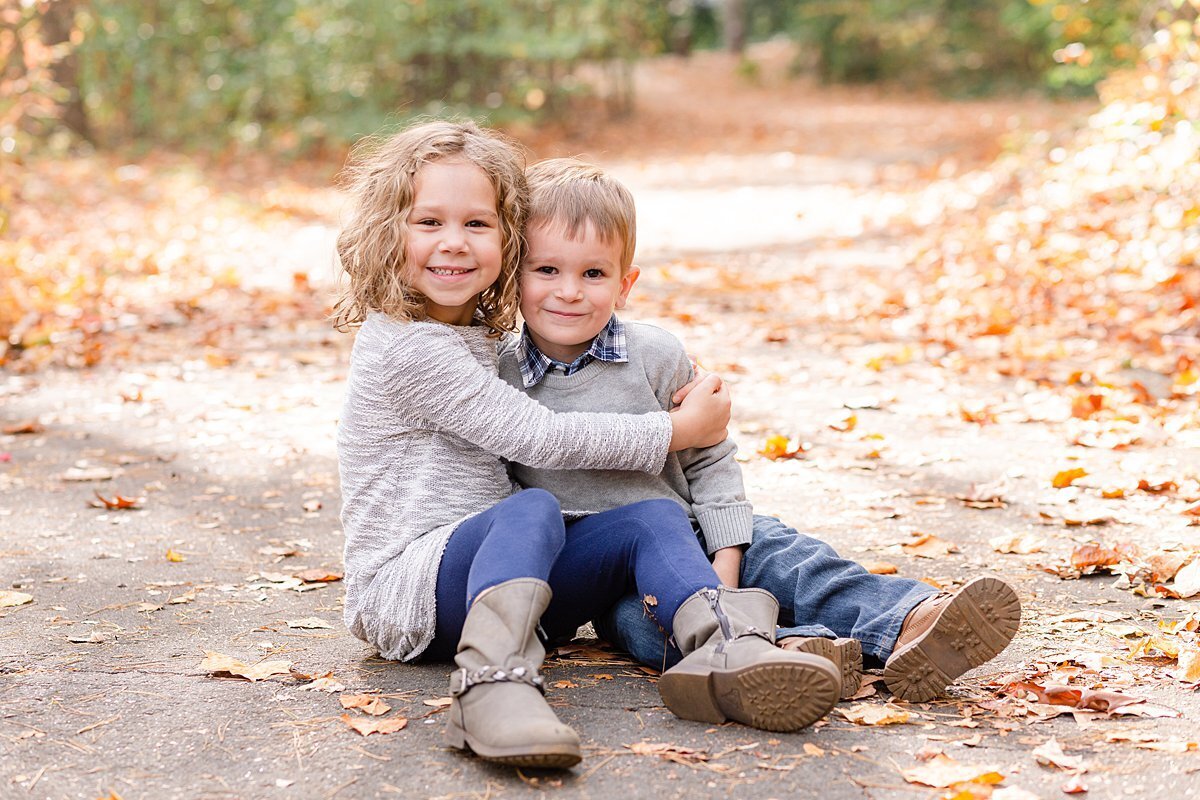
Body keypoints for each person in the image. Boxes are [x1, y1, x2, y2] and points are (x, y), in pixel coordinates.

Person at [332, 121, 842, 771]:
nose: (453, 244)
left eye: (478, 225)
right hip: (408, 594)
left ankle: (728, 648)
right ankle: (488, 688)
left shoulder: (469, 334)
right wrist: (676, 432)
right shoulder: (406, 345)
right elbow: (535, 434)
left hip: (496, 584)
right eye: (428, 222)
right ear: (387, 231)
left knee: (650, 518)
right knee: (533, 507)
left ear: (509, 241)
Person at [497, 158, 1022, 704]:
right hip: (613, 581)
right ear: (515, 276)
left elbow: (709, 461)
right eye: (547, 270)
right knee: (643, 629)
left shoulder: (654, 356)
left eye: (594, 273)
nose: (569, 292)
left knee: (789, 558)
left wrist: (725, 558)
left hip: (697, 529)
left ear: (625, 284)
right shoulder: (499, 376)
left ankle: (911, 620)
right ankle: (798, 652)